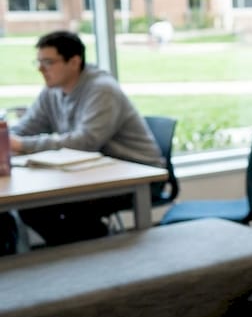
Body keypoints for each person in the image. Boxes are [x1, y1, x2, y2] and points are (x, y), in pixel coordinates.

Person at [8, 30, 164, 246]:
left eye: (48, 62)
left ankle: (98, 253)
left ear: (74, 62)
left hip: (135, 176)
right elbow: (25, 129)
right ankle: (87, 254)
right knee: (30, 207)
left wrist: (21, 144)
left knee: (51, 207)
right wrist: (7, 138)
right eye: (39, 62)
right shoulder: (52, 91)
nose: (41, 69)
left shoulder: (102, 90)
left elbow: (85, 142)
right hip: (90, 175)